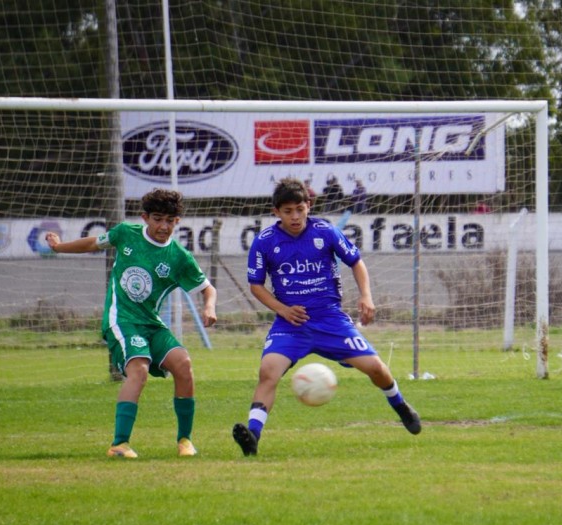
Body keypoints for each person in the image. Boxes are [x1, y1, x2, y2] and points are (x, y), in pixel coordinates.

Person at [232, 177, 421, 456]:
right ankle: (252, 436)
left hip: (330, 320)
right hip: (291, 324)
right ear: (276, 212)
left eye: (300, 209)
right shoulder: (264, 242)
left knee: (376, 368)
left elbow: (356, 262)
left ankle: (400, 405)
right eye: (288, 211)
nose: (295, 217)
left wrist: (366, 296)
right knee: (268, 371)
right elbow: (256, 285)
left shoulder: (326, 231)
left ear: (308, 206)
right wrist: (282, 309)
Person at [46, 188, 218, 458]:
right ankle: (119, 444)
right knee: (139, 369)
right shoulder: (126, 233)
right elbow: (92, 244)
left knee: (183, 364)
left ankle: (185, 441)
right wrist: (59, 247)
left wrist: (209, 306)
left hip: (150, 323)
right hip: (121, 319)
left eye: (169, 221)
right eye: (157, 219)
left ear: (177, 222)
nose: (163, 226)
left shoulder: (179, 257)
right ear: (145, 217)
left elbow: (208, 289)